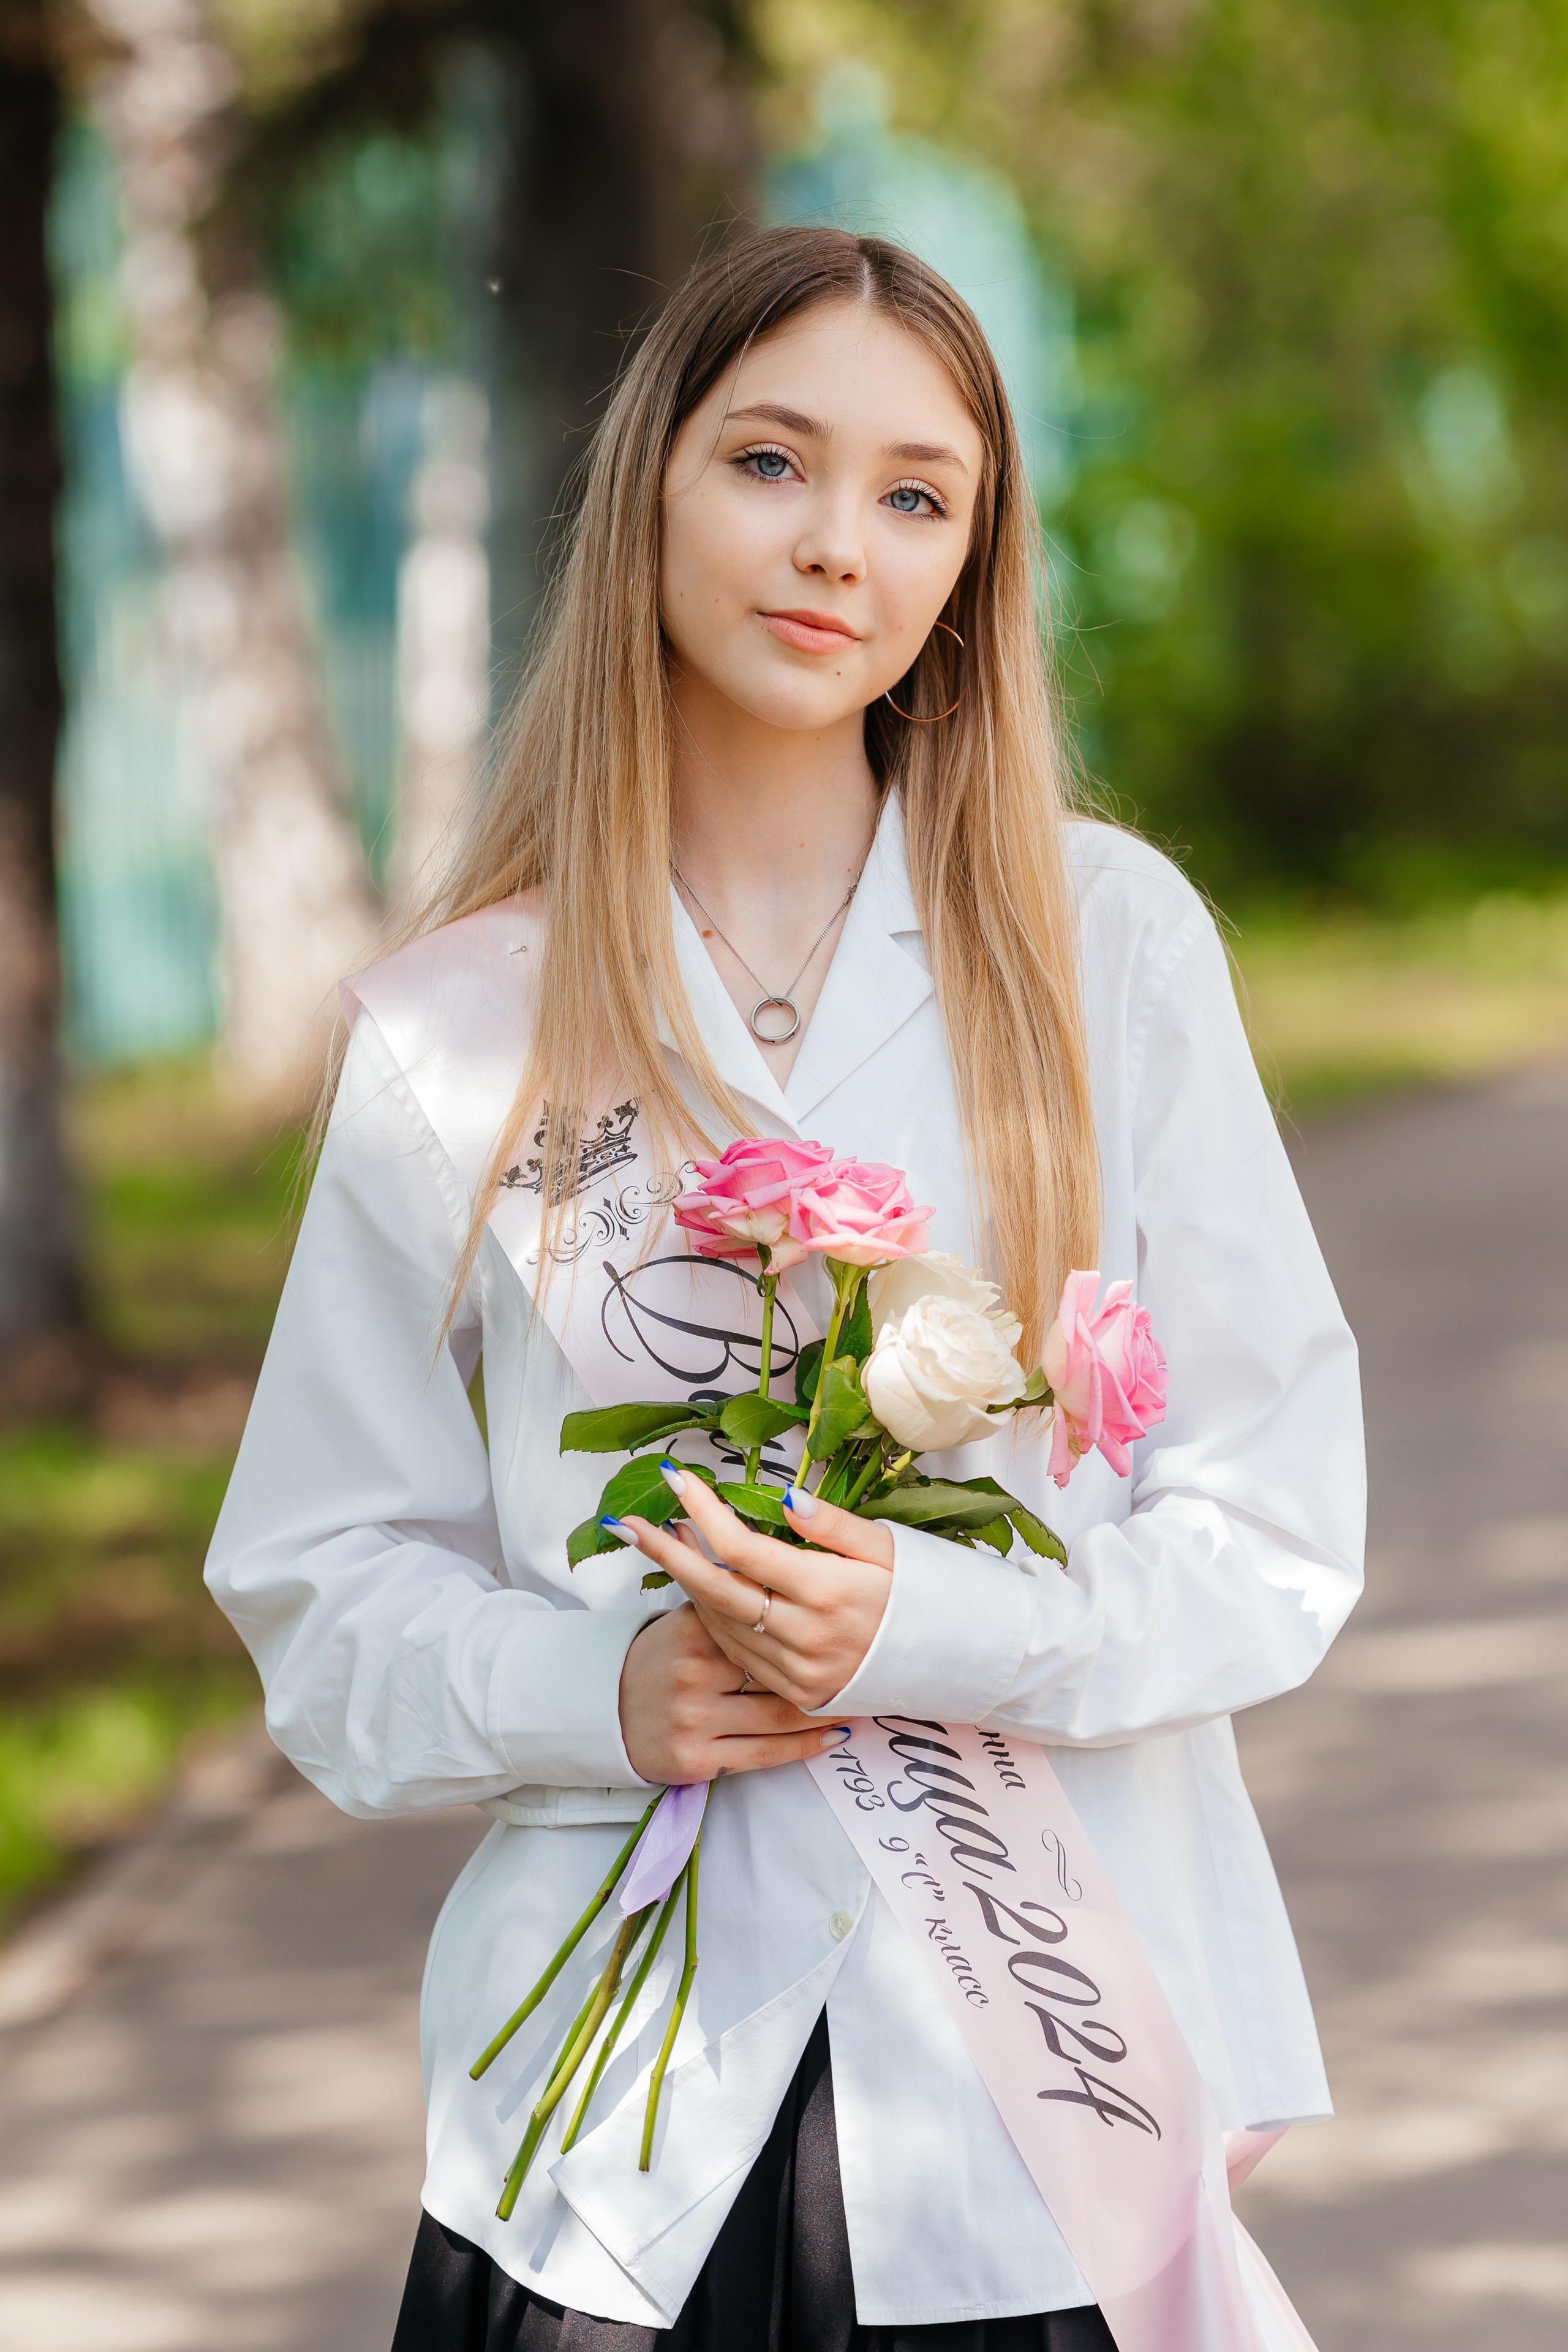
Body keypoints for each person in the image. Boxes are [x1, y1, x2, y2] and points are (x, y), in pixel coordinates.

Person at [205, 227, 1364, 2351]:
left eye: (918, 494)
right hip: (614, 2151)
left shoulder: (1103, 948)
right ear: (650, 480)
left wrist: (940, 1626)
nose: (841, 545)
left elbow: (1278, 1529)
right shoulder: (467, 1035)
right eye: (771, 462)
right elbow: (318, 1582)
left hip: (1029, 2122)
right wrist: (605, 1701)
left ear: (970, 564)